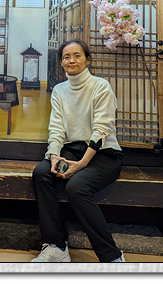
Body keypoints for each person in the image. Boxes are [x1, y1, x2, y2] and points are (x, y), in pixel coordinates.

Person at [31, 39, 125, 263]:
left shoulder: (100, 86)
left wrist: (82, 164)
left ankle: (112, 256)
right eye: (66, 57)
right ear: (61, 62)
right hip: (72, 150)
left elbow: (102, 129)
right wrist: (54, 156)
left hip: (103, 154)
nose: (71, 60)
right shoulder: (59, 90)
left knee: (76, 187)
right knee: (41, 173)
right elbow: (56, 128)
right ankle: (56, 247)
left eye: (77, 55)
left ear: (87, 59)